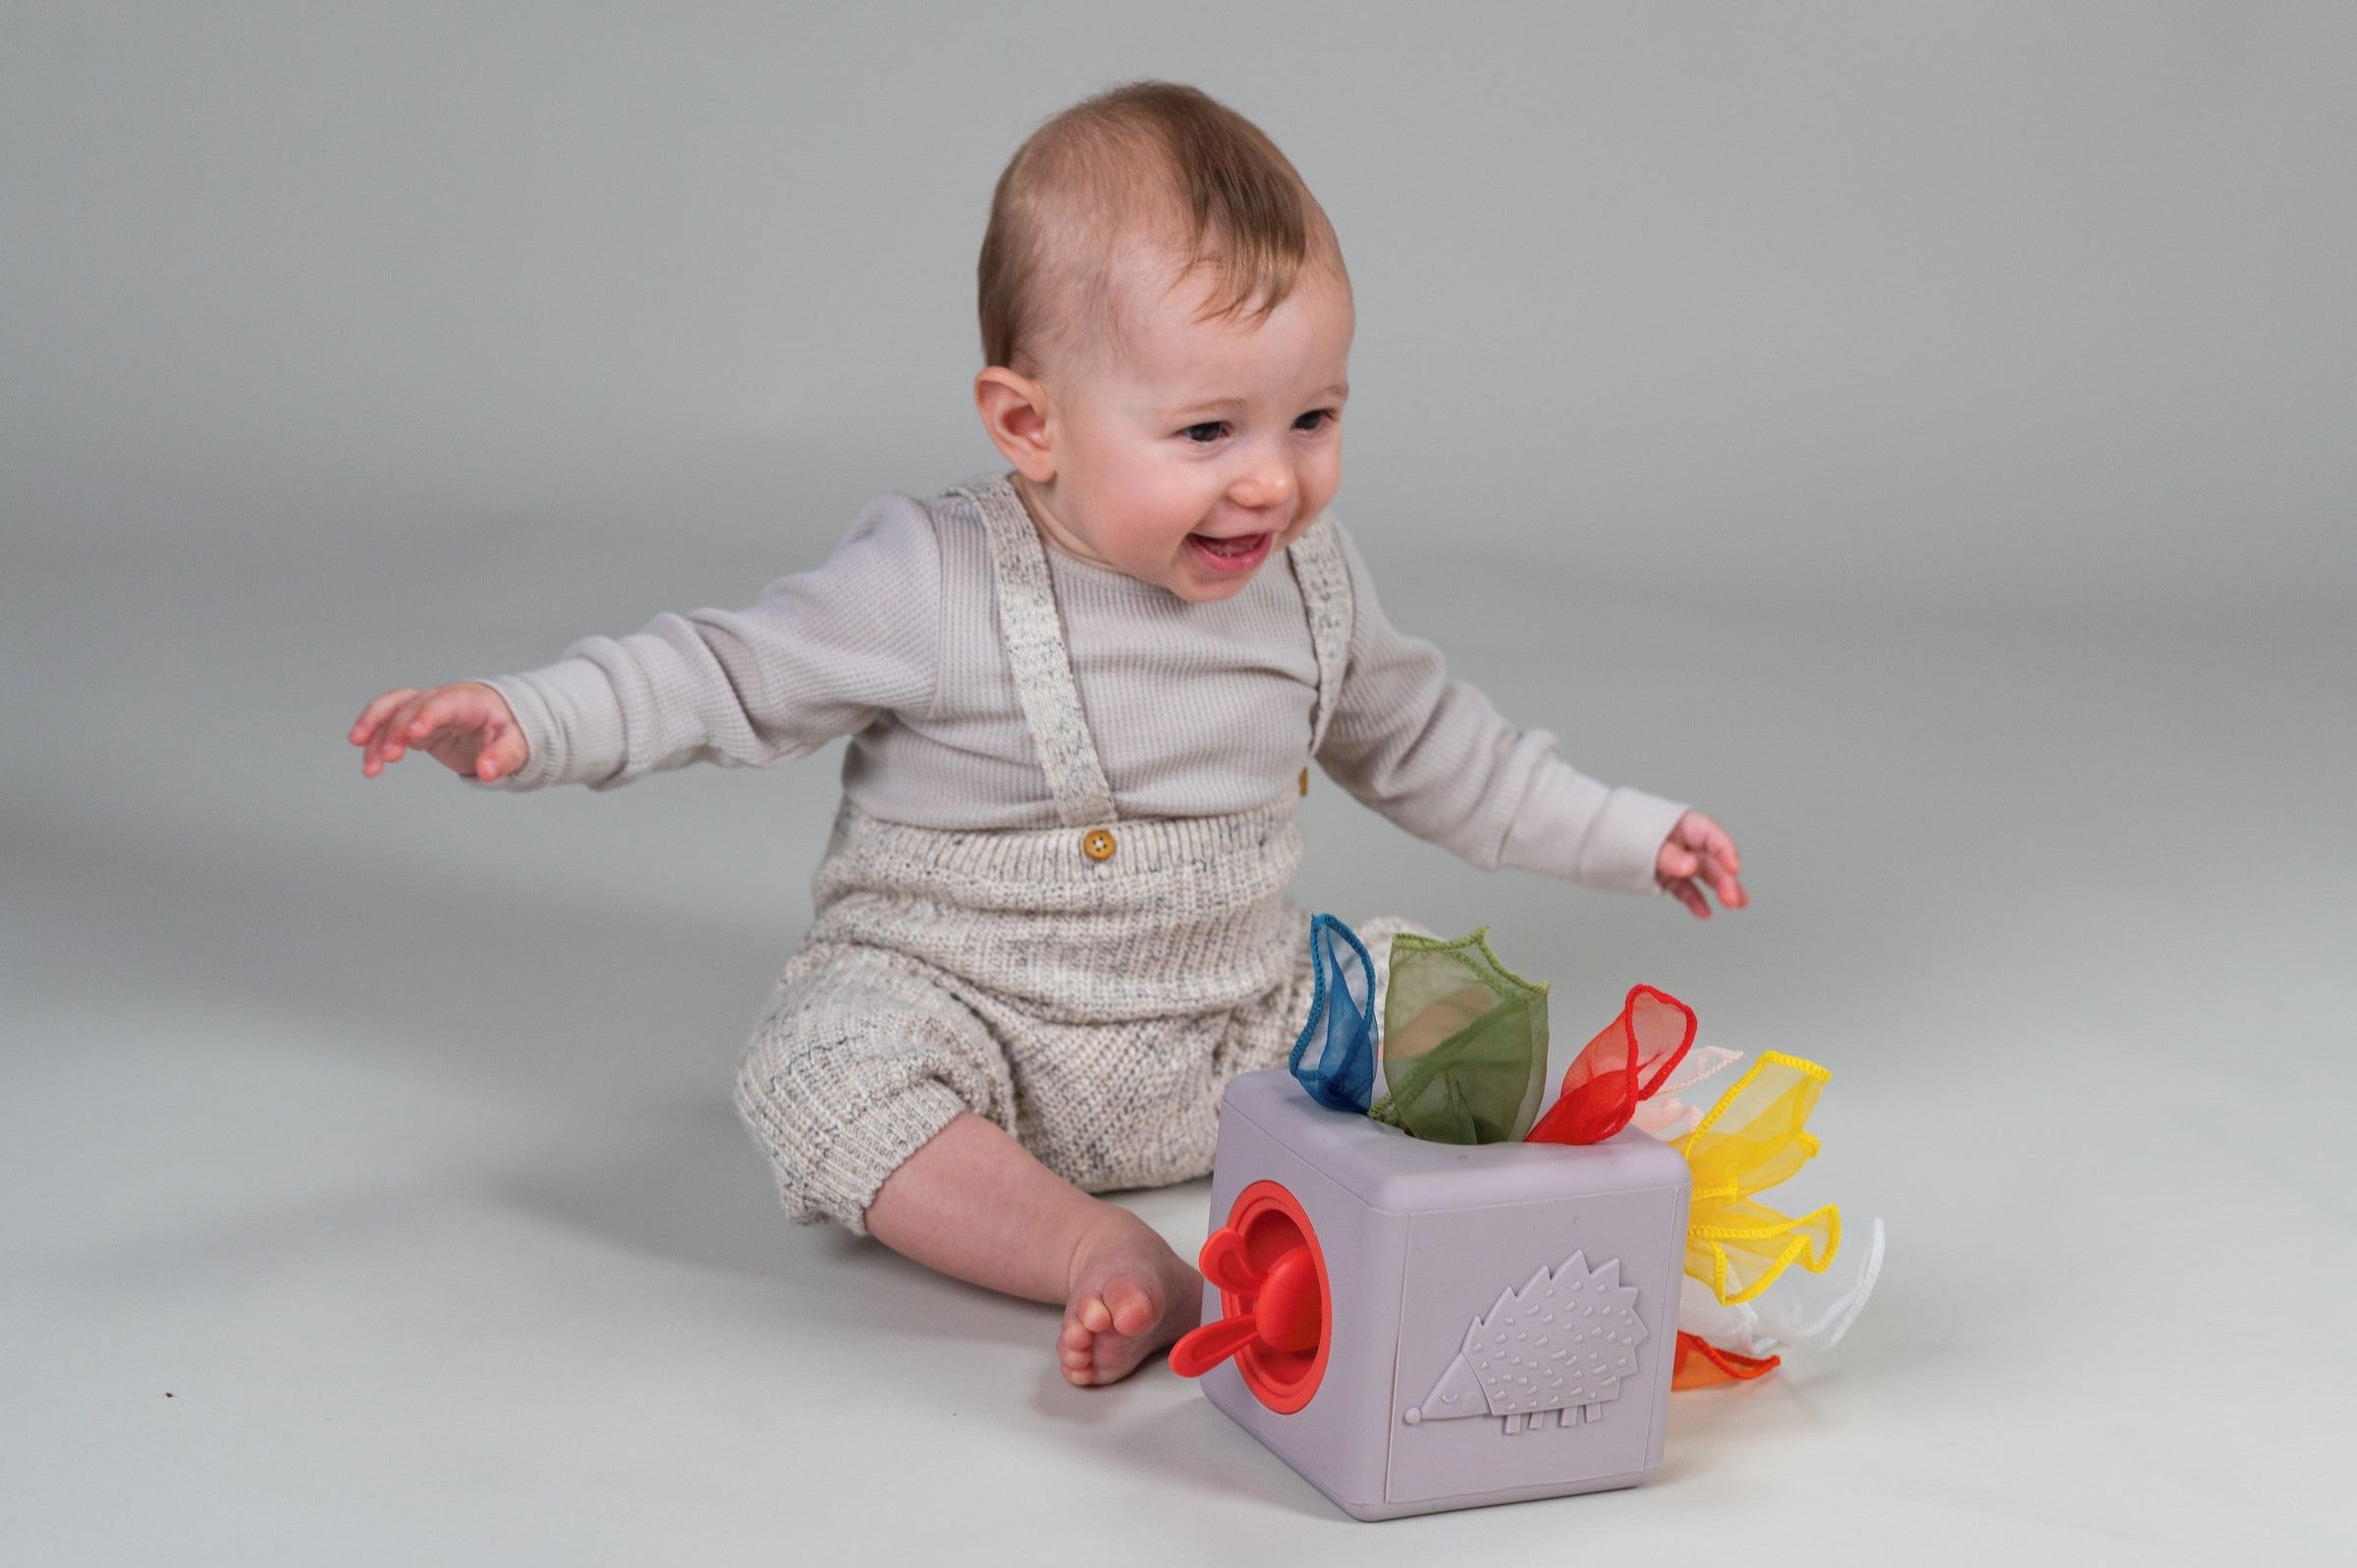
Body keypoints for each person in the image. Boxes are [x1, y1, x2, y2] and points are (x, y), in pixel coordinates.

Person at [347, 81, 1748, 1387]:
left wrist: (1628, 833)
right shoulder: (933, 577)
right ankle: (1089, 1247)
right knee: (817, 1072)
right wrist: (535, 715)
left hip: (1240, 1020)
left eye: (1313, 416)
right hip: (973, 1019)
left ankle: (1565, 1197)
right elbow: (726, 673)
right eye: (1208, 431)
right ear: (1031, 425)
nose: (1273, 480)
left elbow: (1439, 746)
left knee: (1435, 998)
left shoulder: (1312, 583)